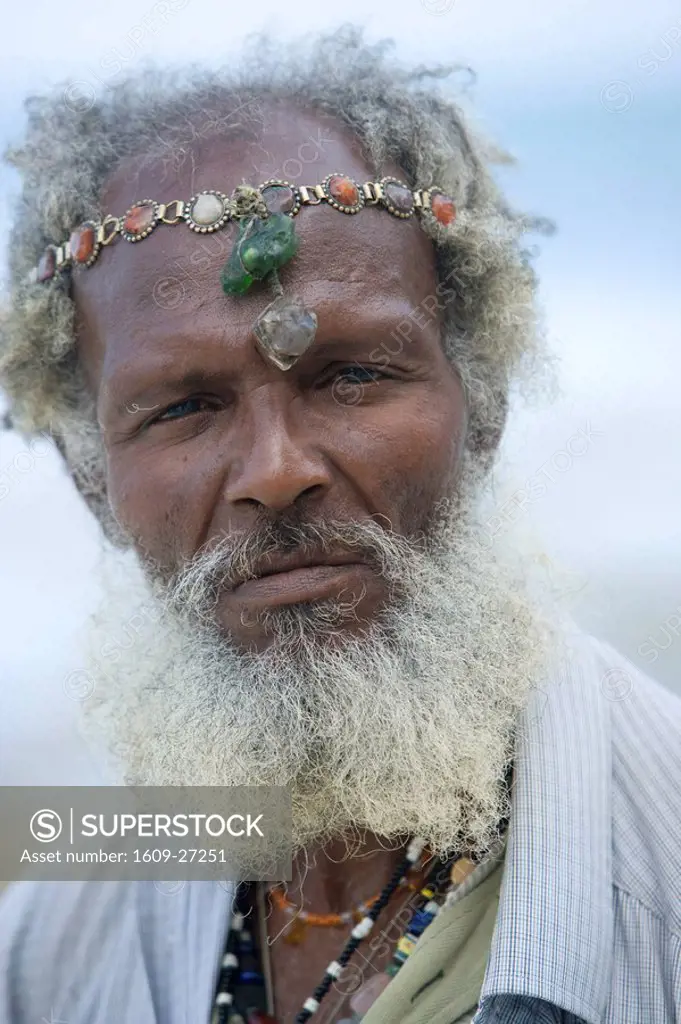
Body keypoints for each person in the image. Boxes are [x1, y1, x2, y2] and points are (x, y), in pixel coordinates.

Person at [0, 24, 679, 1024]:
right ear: (92, 479)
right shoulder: (62, 917)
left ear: (481, 400)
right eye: (185, 407)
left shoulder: (655, 869)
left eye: (353, 375)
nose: (277, 472)